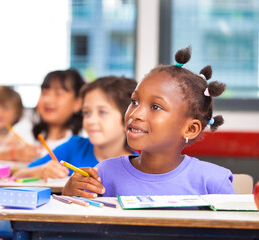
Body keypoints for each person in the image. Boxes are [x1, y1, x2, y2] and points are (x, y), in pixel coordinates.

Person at [62, 47, 236, 198]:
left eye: (155, 106)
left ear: (190, 129)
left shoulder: (213, 182)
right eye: (134, 102)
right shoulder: (104, 174)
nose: (135, 114)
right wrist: (69, 194)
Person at [13, 76, 138, 180]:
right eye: (87, 112)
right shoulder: (74, 147)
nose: (91, 120)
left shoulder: (138, 162)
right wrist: (41, 171)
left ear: (127, 120)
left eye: (102, 112)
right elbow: (18, 175)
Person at [0, 69, 85, 163]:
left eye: (58, 94)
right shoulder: (28, 127)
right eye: (44, 93)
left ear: (77, 103)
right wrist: (16, 153)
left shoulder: (84, 135)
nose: (48, 100)